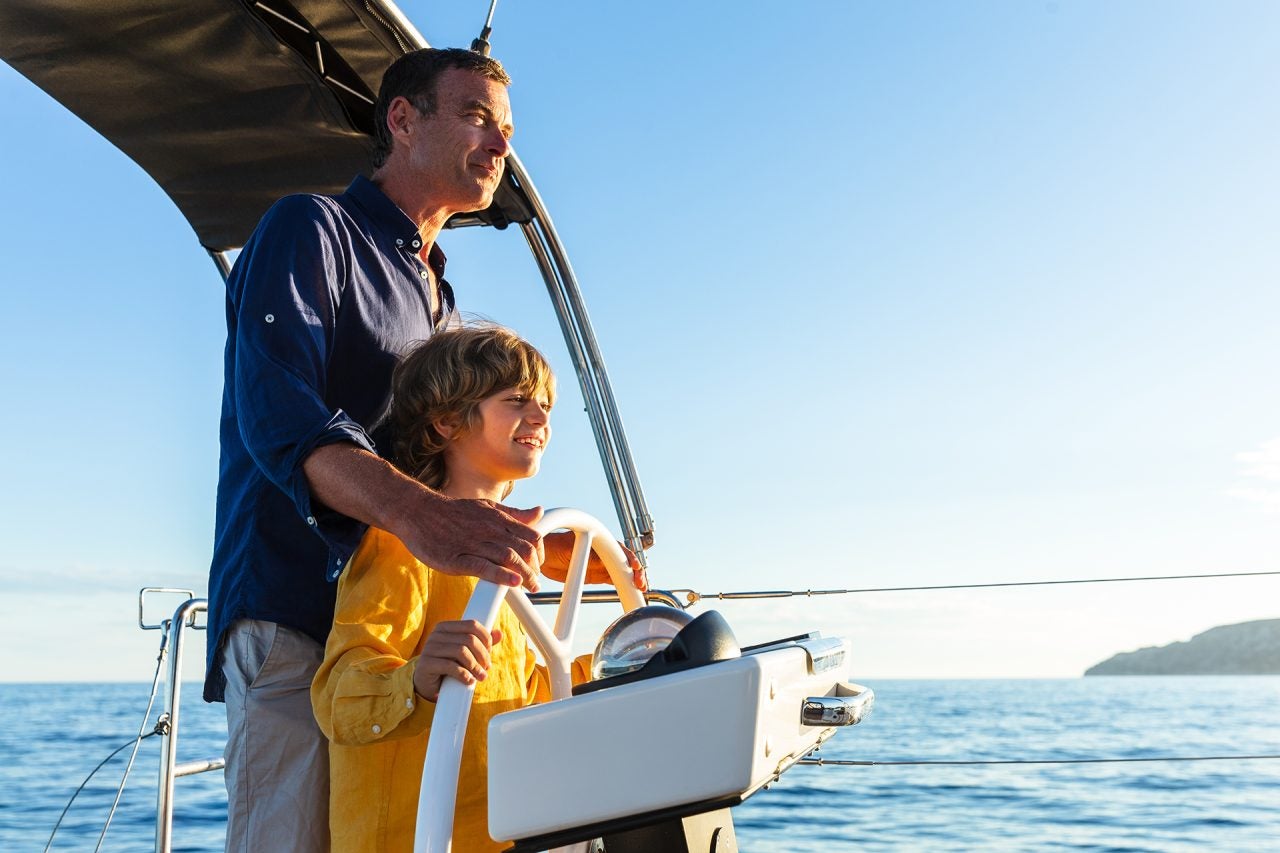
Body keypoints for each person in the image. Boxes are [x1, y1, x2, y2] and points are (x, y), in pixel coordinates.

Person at [205, 48, 641, 852]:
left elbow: (441, 463)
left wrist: (536, 552)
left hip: (405, 627)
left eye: (507, 129)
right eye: (477, 116)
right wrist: (423, 517)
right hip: (296, 610)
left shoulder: (441, 302)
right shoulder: (310, 229)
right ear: (402, 119)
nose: (500, 145)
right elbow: (279, 412)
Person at [312, 326, 600, 852]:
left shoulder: (496, 562)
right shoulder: (401, 548)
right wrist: (417, 679)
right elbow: (339, 700)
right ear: (446, 422)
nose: (539, 417)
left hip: (496, 835)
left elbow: (524, 694)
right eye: (516, 401)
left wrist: (618, 664)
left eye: (545, 405)